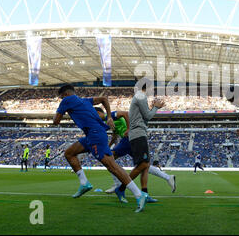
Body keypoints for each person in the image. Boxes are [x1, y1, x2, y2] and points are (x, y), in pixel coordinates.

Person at [53, 84, 148, 213]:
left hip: (95, 135)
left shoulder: (66, 101)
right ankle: (84, 183)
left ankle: (138, 195)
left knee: (112, 166)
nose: (61, 100)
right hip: (91, 135)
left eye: (61, 98)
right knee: (69, 153)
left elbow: (56, 121)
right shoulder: (84, 101)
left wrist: (62, 111)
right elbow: (104, 99)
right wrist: (109, 116)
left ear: (64, 95)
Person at [93, 107, 176, 201]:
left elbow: (126, 113)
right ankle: (165, 179)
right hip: (128, 141)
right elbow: (114, 135)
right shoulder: (104, 123)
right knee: (144, 165)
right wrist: (108, 145)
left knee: (109, 159)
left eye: (95, 113)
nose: (94, 116)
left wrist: (128, 128)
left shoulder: (111, 115)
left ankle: (118, 185)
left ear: (99, 112)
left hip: (129, 138)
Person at [113, 79, 164, 203]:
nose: (153, 91)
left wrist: (152, 107)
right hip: (137, 134)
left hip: (139, 133)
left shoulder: (141, 98)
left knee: (145, 165)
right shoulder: (140, 96)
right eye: (152, 88)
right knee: (143, 164)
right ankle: (122, 187)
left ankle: (144, 194)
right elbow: (148, 116)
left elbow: (144, 119)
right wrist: (156, 108)